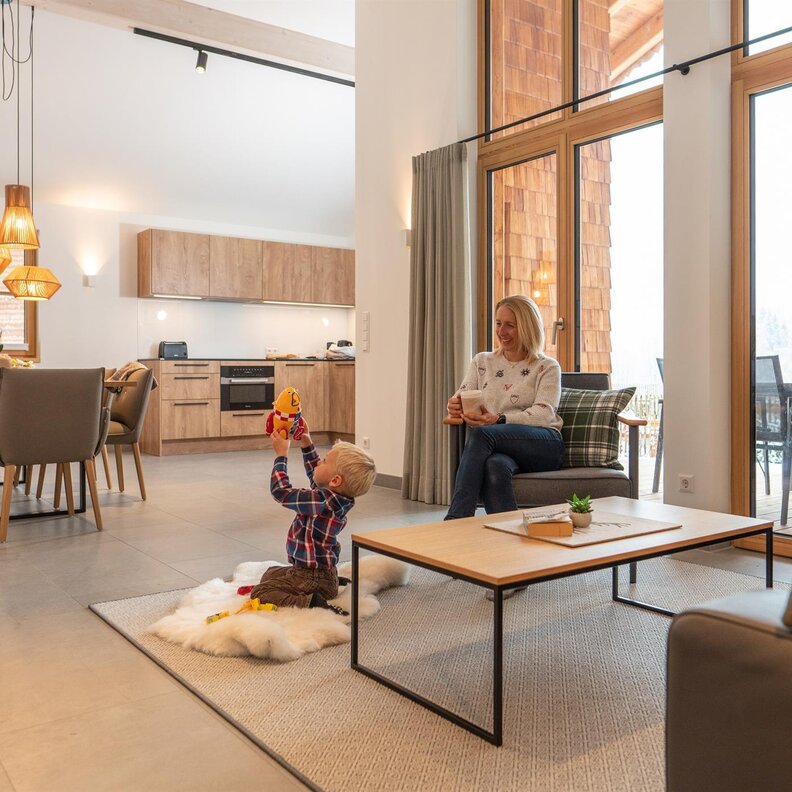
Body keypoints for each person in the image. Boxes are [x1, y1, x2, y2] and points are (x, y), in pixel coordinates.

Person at [445, 294, 565, 520]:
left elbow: (543, 415)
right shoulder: (482, 362)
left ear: (527, 327)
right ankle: (508, 532)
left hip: (543, 444)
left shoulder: (547, 367)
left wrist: (499, 419)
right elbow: (463, 395)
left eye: (510, 325)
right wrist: (455, 406)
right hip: (497, 448)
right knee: (495, 466)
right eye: (498, 323)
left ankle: (457, 519)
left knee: (481, 435)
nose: (501, 331)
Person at [249, 425, 377, 610]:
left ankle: (311, 601)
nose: (318, 462)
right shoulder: (335, 497)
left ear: (335, 480)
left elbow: (281, 492)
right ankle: (328, 586)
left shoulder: (321, 502)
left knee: (261, 592)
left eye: (324, 461)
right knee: (270, 573)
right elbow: (317, 476)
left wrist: (281, 456)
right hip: (318, 573)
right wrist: (306, 442)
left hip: (311, 577)